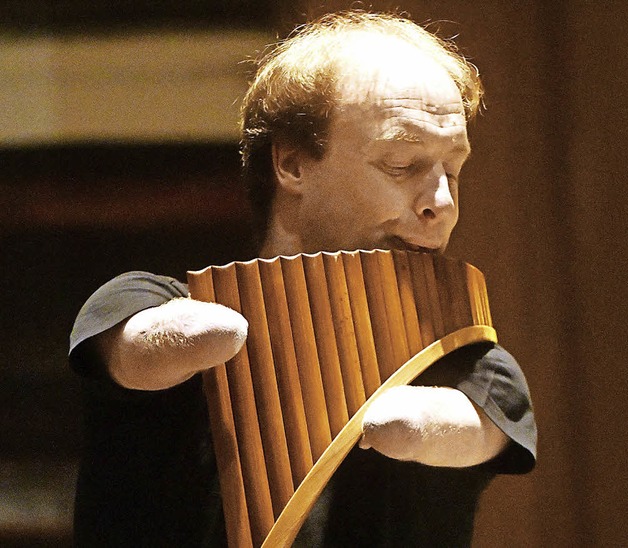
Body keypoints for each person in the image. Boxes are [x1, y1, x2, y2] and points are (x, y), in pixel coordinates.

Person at [69, 10, 536, 547]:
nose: (443, 205)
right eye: (404, 164)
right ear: (291, 164)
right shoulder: (142, 301)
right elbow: (137, 354)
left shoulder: (467, 353)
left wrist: (409, 423)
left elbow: (465, 429)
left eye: (451, 171)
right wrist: (220, 334)